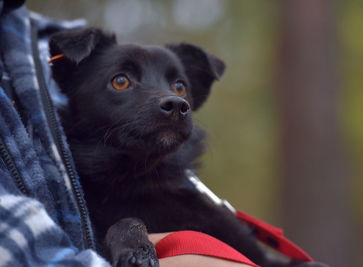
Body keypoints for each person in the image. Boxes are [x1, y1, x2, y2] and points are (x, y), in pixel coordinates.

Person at [0, 1, 256, 266]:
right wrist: (126, 234)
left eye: (179, 87)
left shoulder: (199, 208)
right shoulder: (76, 209)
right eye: (121, 81)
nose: (172, 99)